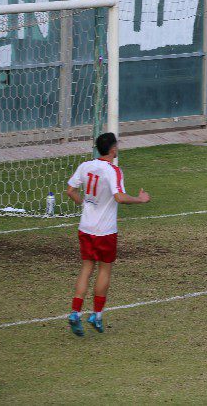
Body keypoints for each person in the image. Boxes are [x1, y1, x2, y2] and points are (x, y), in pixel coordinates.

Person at [64, 133, 151, 336]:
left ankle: (75, 313)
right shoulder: (113, 170)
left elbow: (70, 191)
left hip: (85, 227)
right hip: (104, 231)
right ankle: (97, 315)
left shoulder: (85, 166)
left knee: (86, 268)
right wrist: (141, 199)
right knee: (104, 269)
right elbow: (119, 197)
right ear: (113, 149)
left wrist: (82, 202)